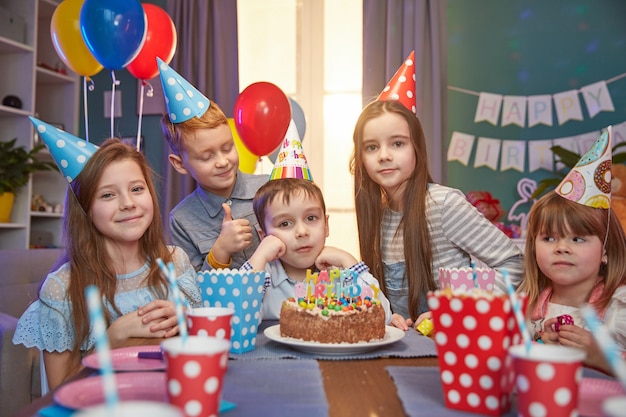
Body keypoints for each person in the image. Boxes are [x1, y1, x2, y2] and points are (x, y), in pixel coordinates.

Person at [13, 130, 201, 390]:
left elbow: (202, 355)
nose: (128, 203)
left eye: (137, 189)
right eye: (108, 195)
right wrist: (112, 340)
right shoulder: (63, 288)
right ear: (86, 210)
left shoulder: (175, 263)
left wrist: (190, 322)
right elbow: (61, 392)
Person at [350, 99, 524, 331]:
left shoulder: (443, 205)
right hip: (404, 348)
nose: (384, 155)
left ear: (417, 149)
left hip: (454, 344)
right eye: (371, 147)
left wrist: (455, 311)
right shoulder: (377, 215)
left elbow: (514, 264)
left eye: (398, 143)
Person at [239, 122, 392, 321]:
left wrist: (349, 262)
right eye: (285, 223)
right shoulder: (263, 278)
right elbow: (236, 318)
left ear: (326, 225)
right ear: (264, 235)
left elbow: (382, 317)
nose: (302, 232)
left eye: (311, 218)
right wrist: (259, 258)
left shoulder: (340, 276)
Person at [520, 126, 626, 374]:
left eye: (577, 239)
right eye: (549, 238)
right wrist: (542, 344)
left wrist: (599, 356)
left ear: (606, 251)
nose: (561, 248)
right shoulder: (532, 302)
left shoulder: (617, 305)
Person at [158, 59, 268, 271]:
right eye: (207, 157)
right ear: (180, 164)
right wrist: (221, 250)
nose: (222, 161)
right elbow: (193, 290)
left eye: (227, 148)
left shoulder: (269, 188)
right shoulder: (181, 219)